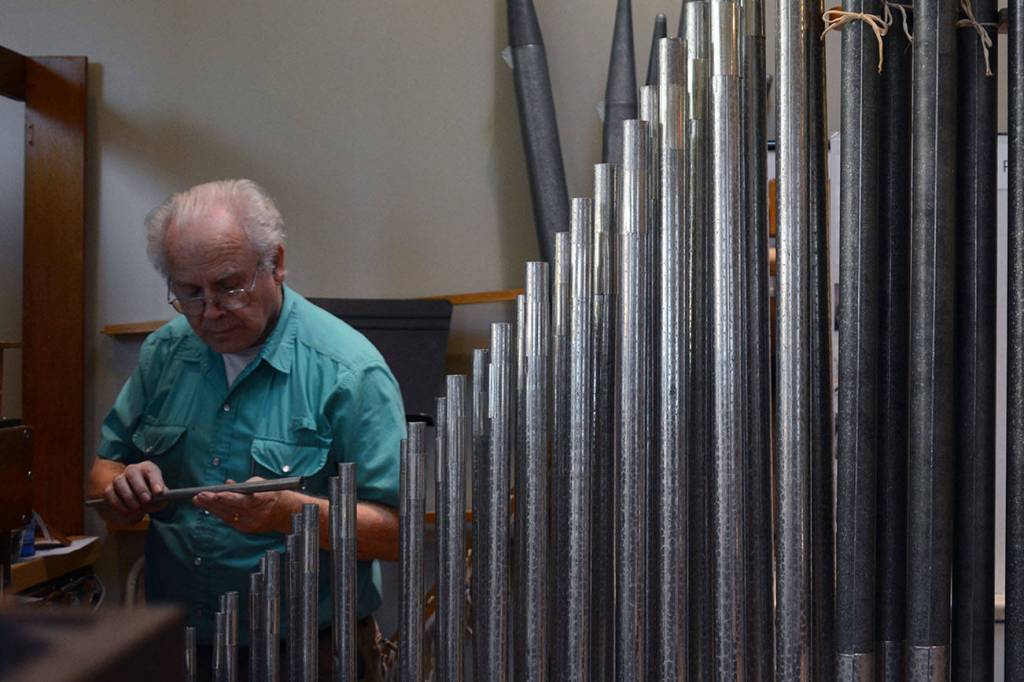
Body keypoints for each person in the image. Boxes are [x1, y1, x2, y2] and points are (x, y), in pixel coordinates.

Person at [87, 179, 405, 680]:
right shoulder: (165, 353)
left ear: (275, 263)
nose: (210, 312)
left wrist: (289, 515)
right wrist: (122, 489)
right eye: (189, 293)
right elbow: (104, 471)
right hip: (180, 644)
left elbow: (397, 534)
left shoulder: (349, 371)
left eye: (229, 286)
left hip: (309, 651)